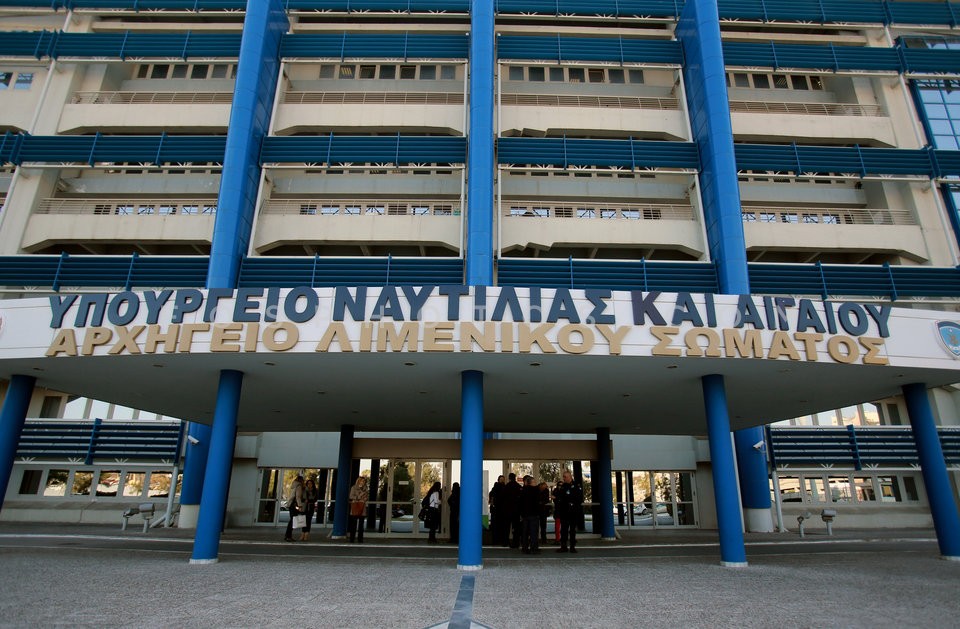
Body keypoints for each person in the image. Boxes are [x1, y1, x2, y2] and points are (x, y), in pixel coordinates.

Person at [554, 470, 583, 554]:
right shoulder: (563, 486)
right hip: (564, 512)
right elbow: (560, 497)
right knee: (563, 530)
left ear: (570, 477)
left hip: (573, 512)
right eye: (563, 477)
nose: (564, 478)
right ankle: (563, 547)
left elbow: (578, 498)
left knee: (572, 530)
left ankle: (572, 547)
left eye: (565, 477)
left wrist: (570, 501)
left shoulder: (576, 485)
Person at [519, 475, 541, 554]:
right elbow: (538, 501)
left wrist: (521, 514)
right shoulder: (535, 490)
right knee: (533, 532)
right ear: (530, 483)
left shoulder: (523, 490)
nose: (535, 483)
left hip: (525, 515)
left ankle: (525, 548)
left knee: (525, 532)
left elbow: (520, 503)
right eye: (534, 482)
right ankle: (533, 548)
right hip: (533, 514)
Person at [503, 473, 522, 548]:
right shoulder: (518, 486)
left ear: (509, 478)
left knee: (506, 527)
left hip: (507, 510)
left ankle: (505, 542)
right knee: (516, 527)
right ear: (515, 478)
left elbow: (503, 498)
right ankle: (516, 542)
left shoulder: (506, 486)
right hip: (516, 510)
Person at [283, 474, 304, 542]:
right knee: (293, 521)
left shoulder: (293, 485)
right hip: (295, 505)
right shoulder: (299, 486)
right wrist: (300, 505)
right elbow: (298, 496)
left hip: (291, 504)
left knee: (291, 520)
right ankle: (288, 536)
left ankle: (287, 535)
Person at [347, 476, 368, 543]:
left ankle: (360, 539)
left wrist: (364, 498)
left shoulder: (365, 488)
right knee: (353, 524)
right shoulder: (354, 487)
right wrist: (358, 497)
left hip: (362, 507)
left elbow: (366, 497)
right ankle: (352, 539)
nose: (363, 482)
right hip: (355, 507)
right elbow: (351, 496)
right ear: (358, 481)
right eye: (362, 481)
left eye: (364, 481)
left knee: (361, 525)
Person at [489, 475, 506, 545]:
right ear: (498, 480)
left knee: (496, 526)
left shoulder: (495, 488)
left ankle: (496, 540)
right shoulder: (503, 488)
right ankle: (498, 540)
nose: (502, 480)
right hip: (499, 510)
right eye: (501, 479)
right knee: (499, 526)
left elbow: (491, 497)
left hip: (497, 510)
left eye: (503, 479)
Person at [302, 477, 319, 542]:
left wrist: (309, 500)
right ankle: (302, 534)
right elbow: (302, 498)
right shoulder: (304, 490)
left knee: (308, 521)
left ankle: (306, 534)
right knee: (303, 521)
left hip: (311, 507)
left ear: (313, 484)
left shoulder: (315, 491)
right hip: (304, 507)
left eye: (311, 483)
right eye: (308, 483)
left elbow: (315, 499)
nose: (309, 485)